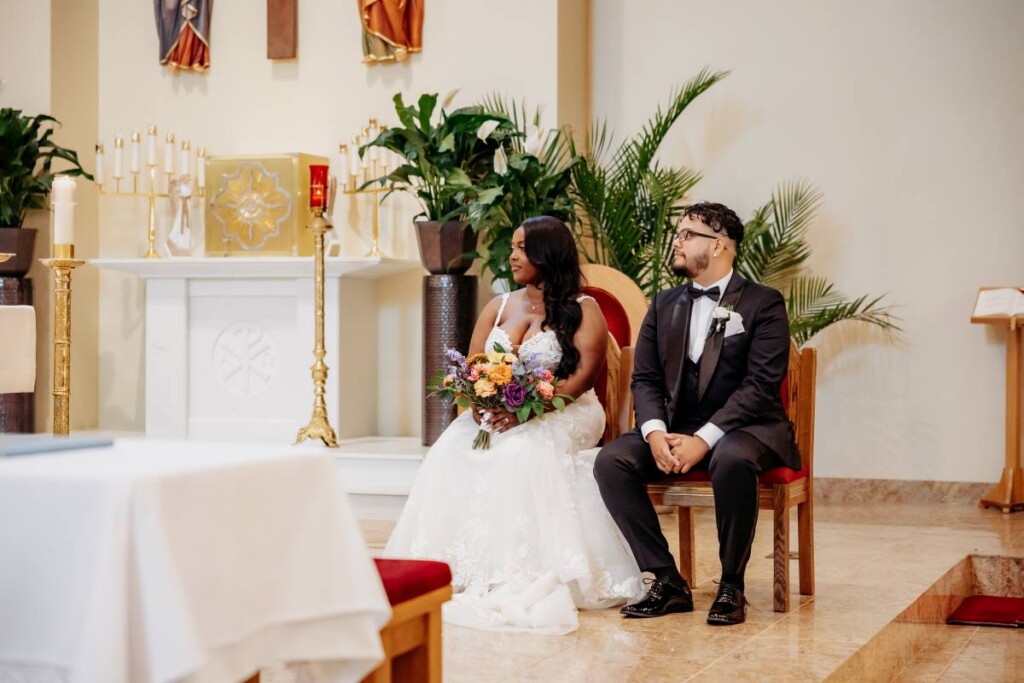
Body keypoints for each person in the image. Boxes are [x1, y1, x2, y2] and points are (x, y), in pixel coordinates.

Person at [385, 216, 642, 634]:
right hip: (500, 408)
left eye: (522, 248)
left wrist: (528, 410)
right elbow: (472, 367)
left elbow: (581, 379)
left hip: (566, 409)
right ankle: (461, 566)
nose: (513, 256)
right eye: (513, 248)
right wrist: (480, 404)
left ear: (547, 252)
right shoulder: (499, 305)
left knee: (525, 449)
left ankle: (517, 569)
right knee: (450, 446)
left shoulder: (584, 309)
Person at [594, 202, 800, 626]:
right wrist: (653, 433)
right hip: (674, 426)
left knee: (732, 459)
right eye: (679, 232)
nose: (677, 240)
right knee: (611, 461)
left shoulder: (763, 303)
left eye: (688, 234)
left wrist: (704, 438)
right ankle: (667, 581)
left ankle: (731, 586)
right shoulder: (665, 303)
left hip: (748, 427)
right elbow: (645, 378)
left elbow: (760, 386)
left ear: (720, 244)